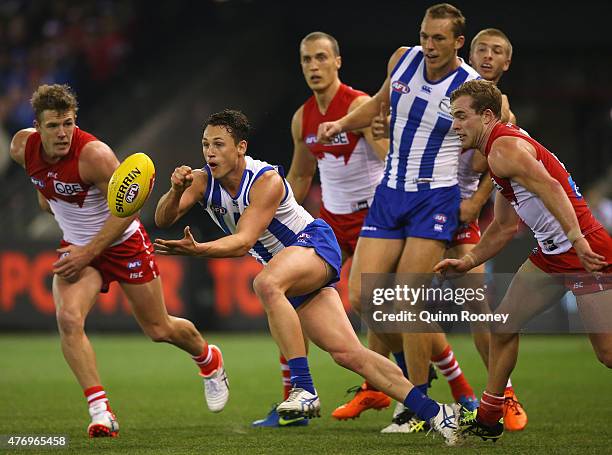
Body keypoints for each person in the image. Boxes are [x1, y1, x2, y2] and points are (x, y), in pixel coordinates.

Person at [154, 109, 463, 446]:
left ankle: (303, 388)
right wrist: (174, 190)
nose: (209, 152)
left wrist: (199, 249)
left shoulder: (265, 180)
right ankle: (437, 412)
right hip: (290, 266)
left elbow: (243, 242)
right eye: (205, 144)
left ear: (240, 147)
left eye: (218, 144)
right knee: (348, 354)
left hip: (312, 244)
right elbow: (163, 216)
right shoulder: (201, 180)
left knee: (266, 284)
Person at [9, 84, 229, 439]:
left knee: (159, 329)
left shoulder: (94, 155)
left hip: (123, 243)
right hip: (79, 248)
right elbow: (42, 186)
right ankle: (101, 412)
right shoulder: (21, 146)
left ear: (74, 120)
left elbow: (129, 211)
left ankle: (209, 359)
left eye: (68, 123)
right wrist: (57, 209)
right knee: (68, 318)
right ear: (37, 126)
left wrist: (88, 251)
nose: (62, 133)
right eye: (53, 126)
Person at [317, 3, 480, 433]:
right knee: (363, 297)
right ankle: (435, 391)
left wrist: (479, 199)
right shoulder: (405, 59)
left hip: (435, 200)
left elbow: (502, 141)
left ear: (458, 42)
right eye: (425, 35)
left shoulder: (472, 86)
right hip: (390, 193)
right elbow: (377, 104)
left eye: (439, 38)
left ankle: (417, 404)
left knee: (408, 298)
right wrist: (341, 124)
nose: (428, 45)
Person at [435, 79, 612, 442]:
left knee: (608, 354)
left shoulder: (503, 150)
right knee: (502, 327)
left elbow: (551, 187)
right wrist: (467, 263)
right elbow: (502, 227)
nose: (455, 125)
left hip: (584, 251)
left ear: (486, 116)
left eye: (461, 117)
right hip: (551, 256)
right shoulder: (497, 155)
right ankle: (488, 416)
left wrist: (577, 240)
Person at [252, 31, 389, 427]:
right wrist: (280, 229)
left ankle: (388, 388)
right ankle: (293, 401)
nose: (313, 66)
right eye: (306, 60)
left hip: (373, 219)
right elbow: (299, 174)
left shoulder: (359, 105)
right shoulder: (302, 118)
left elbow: (388, 160)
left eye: (320, 58)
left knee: (373, 301)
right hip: (329, 221)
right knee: (287, 290)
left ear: (337, 61)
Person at [447, 28, 527, 432]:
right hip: (422, 205)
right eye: (482, 49)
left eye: (497, 51)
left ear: (506, 62)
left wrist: (477, 203)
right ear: (468, 52)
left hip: (462, 211)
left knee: (476, 305)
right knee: (392, 298)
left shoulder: (502, 108)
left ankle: (504, 392)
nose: (488, 56)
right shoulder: (447, 87)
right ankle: (413, 398)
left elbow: (489, 164)